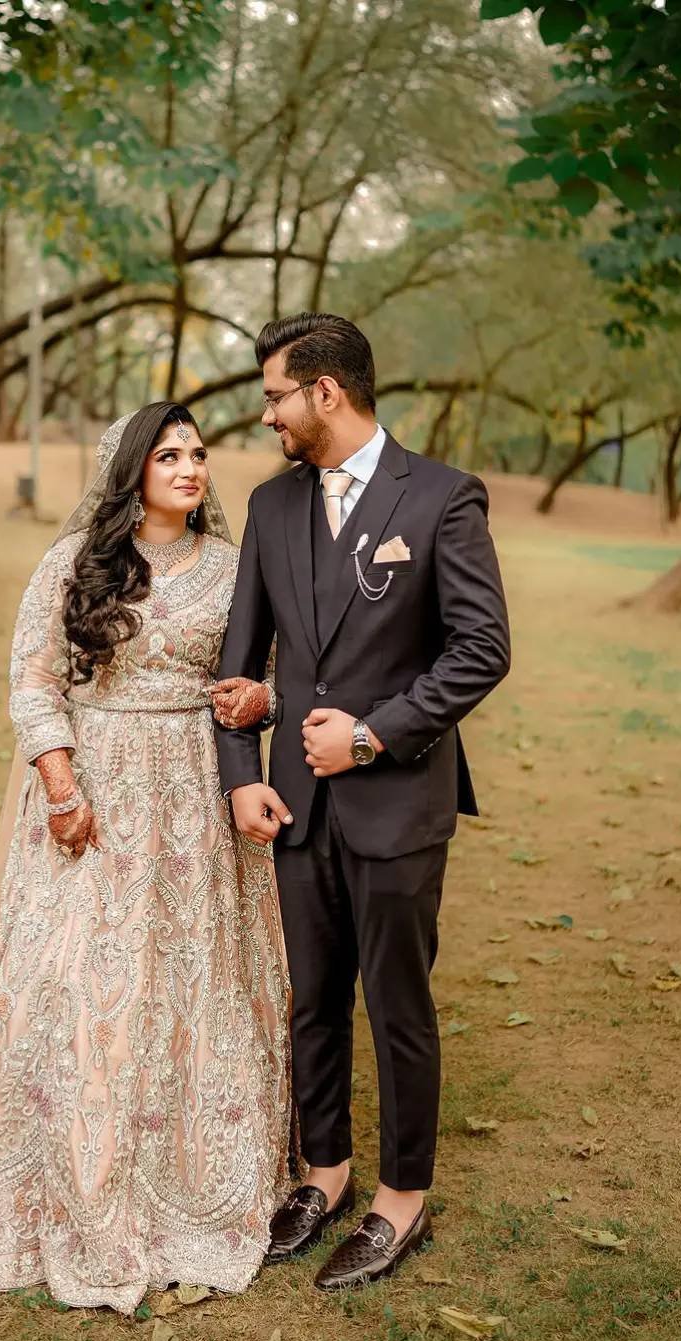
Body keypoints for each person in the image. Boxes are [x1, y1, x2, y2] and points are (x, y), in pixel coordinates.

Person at [0, 403, 291, 1315]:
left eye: (198, 453)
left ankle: (193, 1178)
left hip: (194, 797)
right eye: (168, 454)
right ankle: (59, 1173)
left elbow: (273, 670)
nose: (190, 467)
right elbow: (34, 681)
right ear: (132, 469)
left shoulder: (235, 567)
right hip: (93, 791)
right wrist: (62, 790)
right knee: (76, 974)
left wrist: (259, 700)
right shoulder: (76, 563)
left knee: (188, 976)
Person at [214, 313, 510, 1291]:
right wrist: (242, 774)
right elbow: (239, 667)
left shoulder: (441, 497)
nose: (268, 415)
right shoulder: (271, 506)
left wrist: (372, 733)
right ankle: (326, 1172)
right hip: (295, 805)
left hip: (398, 803)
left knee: (397, 1004)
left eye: (276, 396)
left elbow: (481, 649)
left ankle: (401, 1198)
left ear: (326, 391)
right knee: (313, 999)